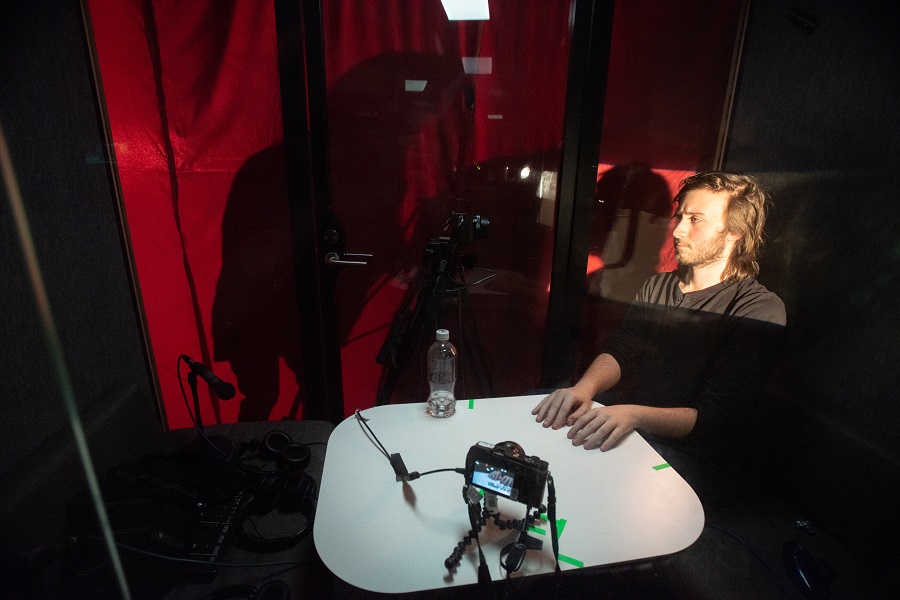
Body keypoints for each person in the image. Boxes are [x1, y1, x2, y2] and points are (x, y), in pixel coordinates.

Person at [532, 171, 786, 463]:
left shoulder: (758, 309)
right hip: (640, 431)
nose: (677, 231)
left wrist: (633, 414)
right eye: (680, 217)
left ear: (735, 231)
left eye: (695, 220)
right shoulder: (657, 285)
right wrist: (583, 388)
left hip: (693, 455)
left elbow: (717, 418)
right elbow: (623, 349)